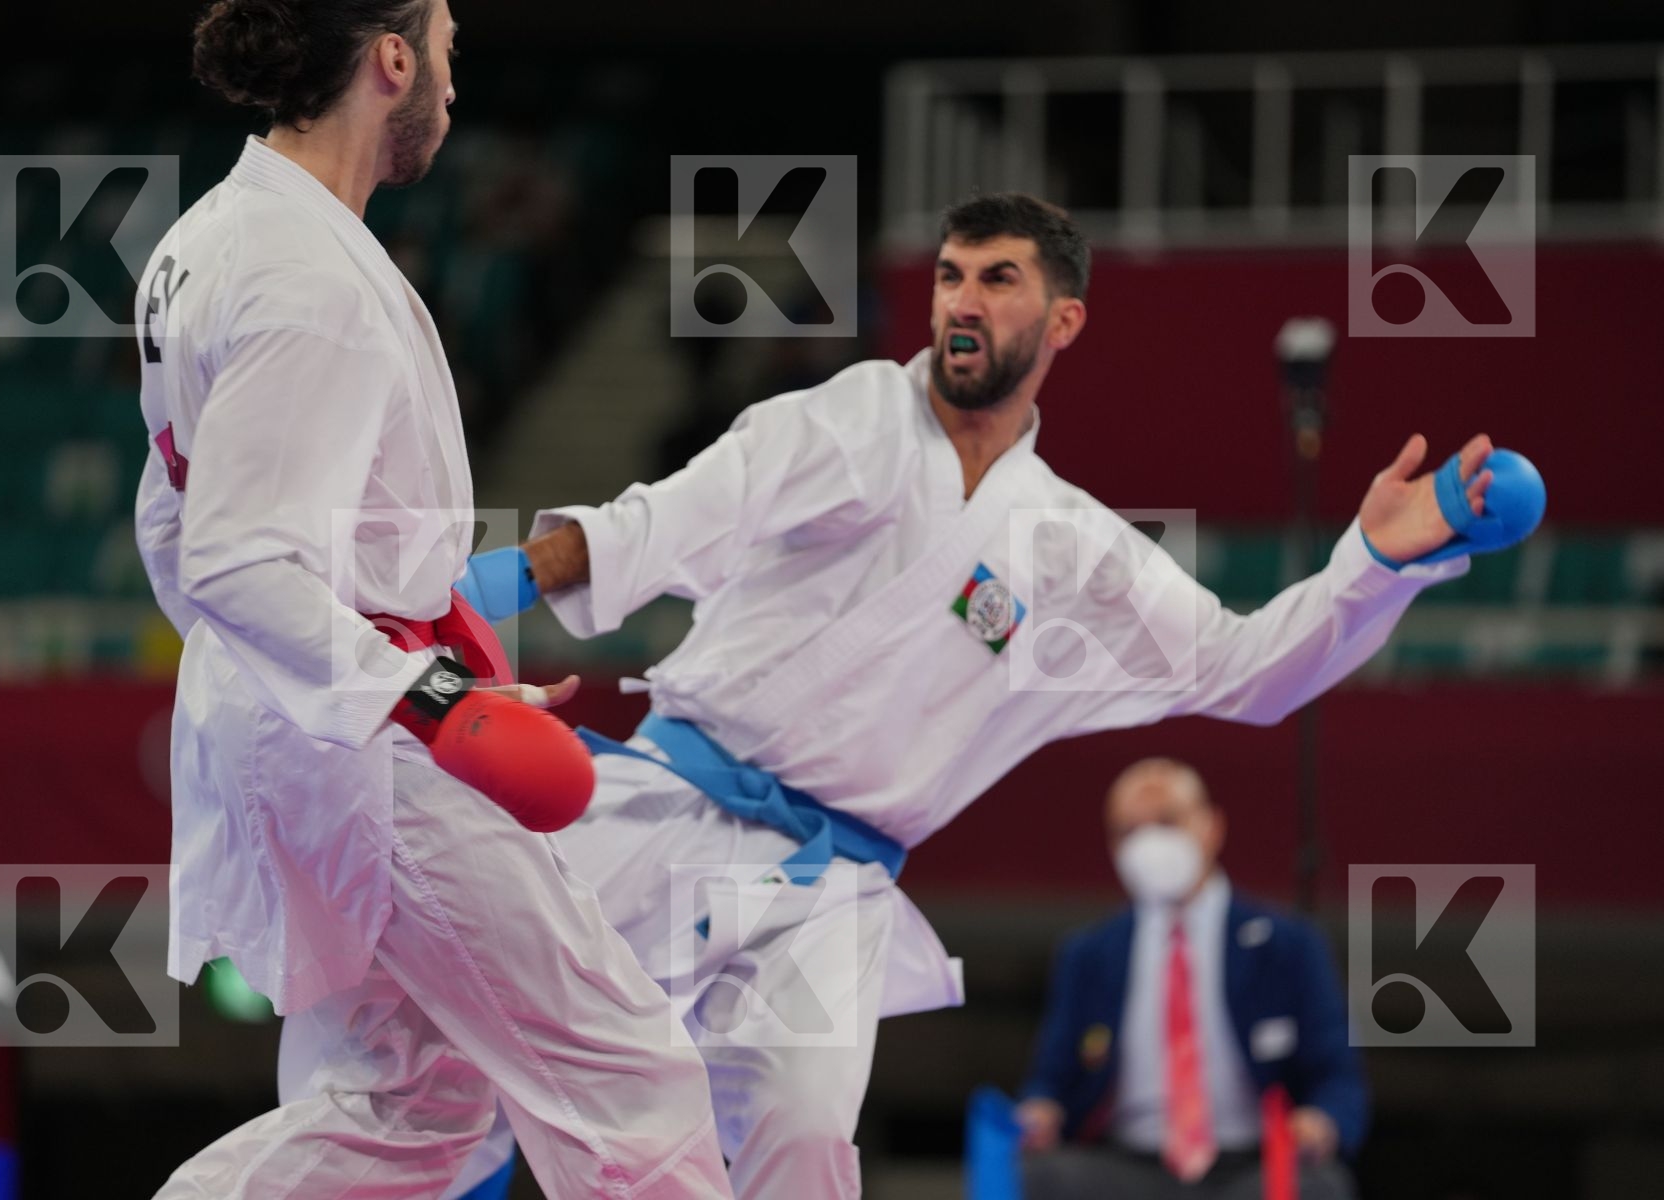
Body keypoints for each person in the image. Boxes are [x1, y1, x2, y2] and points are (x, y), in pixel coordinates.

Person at [452, 191, 1522, 1199]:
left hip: (832, 889)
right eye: (951, 276)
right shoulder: (861, 415)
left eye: (998, 279)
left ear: (1064, 321)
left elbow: (1246, 672)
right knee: (472, 1057)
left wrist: (1373, 565)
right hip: (670, 812)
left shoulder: (1069, 548)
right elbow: (677, 517)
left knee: (808, 1128)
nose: (962, 300)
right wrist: (491, 583)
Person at [133, 1, 732, 1195]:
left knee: (414, 1110)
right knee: (629, 1082)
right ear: (392, 60)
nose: (455, 84)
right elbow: (238, 559)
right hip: (369, 747)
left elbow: (172, 517)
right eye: (449, 46)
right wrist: (433, 697)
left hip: (315, 712)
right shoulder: (312, 282)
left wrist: (444, 663)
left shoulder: (210, 240)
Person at [1017, 757, 1365, 1200]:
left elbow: (1338, 1076)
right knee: (1039, 1179)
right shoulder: (1089, 955)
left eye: (1167, 821)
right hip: (1132, 1166)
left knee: (1319, 1189)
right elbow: (1052, 1077)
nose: (1149, 843)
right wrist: (1040, 1111)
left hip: (1250, 1166)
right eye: (1129, 831)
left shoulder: (1288, 946)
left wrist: (1322, 1122)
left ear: (1211, 827)